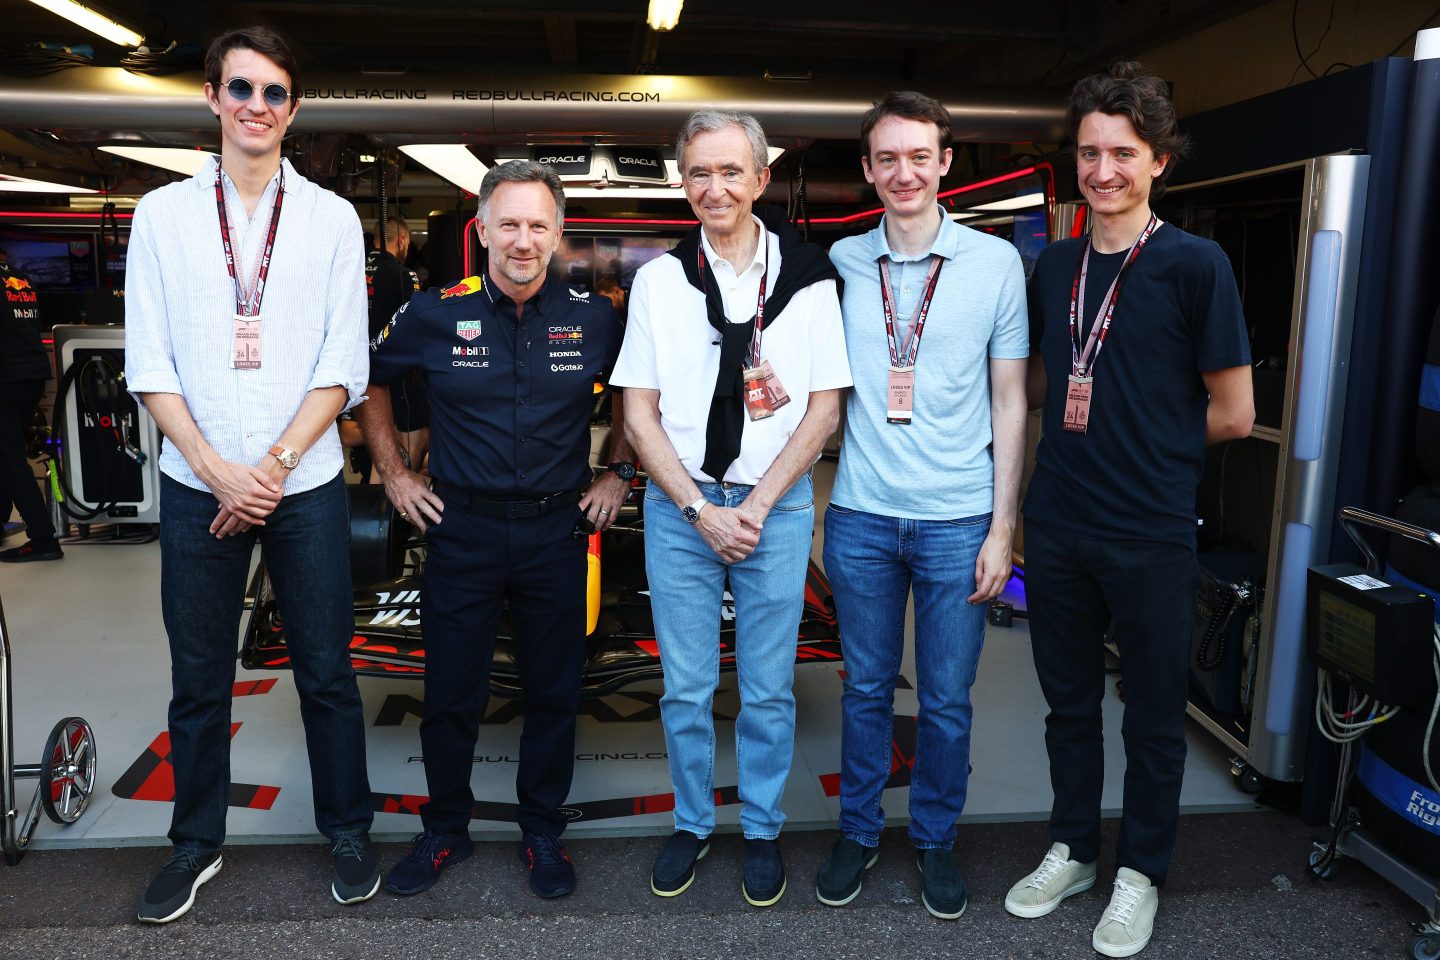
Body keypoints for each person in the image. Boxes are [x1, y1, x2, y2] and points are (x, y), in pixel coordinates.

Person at [123, 25, 378, 923]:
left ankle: (347, 829)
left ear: (293, 109)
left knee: (326, 671)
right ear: (212, 98)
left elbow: (344, 362)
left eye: (274, 92)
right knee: (199, 677)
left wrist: (266, 469)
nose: (257, 106)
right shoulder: (161, 215)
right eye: (241, 89)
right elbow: (149, 363)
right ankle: (194, 845)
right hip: (199, 483)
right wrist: (216, 471)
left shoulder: (331, 219)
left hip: (300, 483)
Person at [1007, 62, 1253, 957]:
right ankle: (1073, 847)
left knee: (1152, 716)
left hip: (1150, 531)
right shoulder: (1057, 263)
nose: (1102, 170)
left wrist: (1149, 445)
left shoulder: (1197, 265)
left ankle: (1141, 870)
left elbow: (1236, 413)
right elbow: (1036, 383)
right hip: (1060, 523)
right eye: (1088, 152)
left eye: (1122, 153)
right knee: (1066, 704)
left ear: (1158, 161)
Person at [359, 160, 633, 900]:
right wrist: (393, 471)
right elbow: (369, 380)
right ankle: (444, 829)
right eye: (508, 223)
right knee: (450, 693)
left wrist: (618, 472)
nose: (522, 239)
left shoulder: (595, 316)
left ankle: (543, 831)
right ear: (481, 230)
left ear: (558, 232)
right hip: (462, 530)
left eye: (537, 224)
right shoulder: (431, 311)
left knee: (553, 691)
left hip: (556, 532)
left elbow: (644, 393)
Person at [612, 111, 851, 907]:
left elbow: (823, 409)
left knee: (768, 686)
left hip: (773, 509)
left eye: (728, 172)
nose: (714, 188)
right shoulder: (659, 281)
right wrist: (697, 508)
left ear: (760, 178)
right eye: (698, 174)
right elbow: (637, 413)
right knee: (683, 686)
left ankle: (760, 830)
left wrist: (754, 505)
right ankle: (690, 823)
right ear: (684, 186)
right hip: (682, 513)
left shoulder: (809, 275)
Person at [814, 91, 1028, 920]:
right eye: (887, 158)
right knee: (866, 690)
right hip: (862, 514)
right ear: (869, 170)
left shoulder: (995, 264)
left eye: (920, 156)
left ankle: (935, 838)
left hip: (959, 518)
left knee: (945, 698)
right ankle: (859, 832)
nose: (904, 172)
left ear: (945, 163)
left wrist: (1004, 527)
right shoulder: (838, 264)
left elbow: (1011, 400)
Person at [0, 246, 62, 562]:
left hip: (6, 377)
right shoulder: (20, 279)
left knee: (9, 459)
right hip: (30, 376)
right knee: (7, 455)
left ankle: (43, 538)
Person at [357, 216, 425, 481]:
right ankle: (396, 517)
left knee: (380, 450)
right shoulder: (403, 275)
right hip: (395, 374)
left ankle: (374, 515)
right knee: (407, 449)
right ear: (403, 240)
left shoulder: (350, 268)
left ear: (375, 240)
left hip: (354, 370)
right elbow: (416, 322)